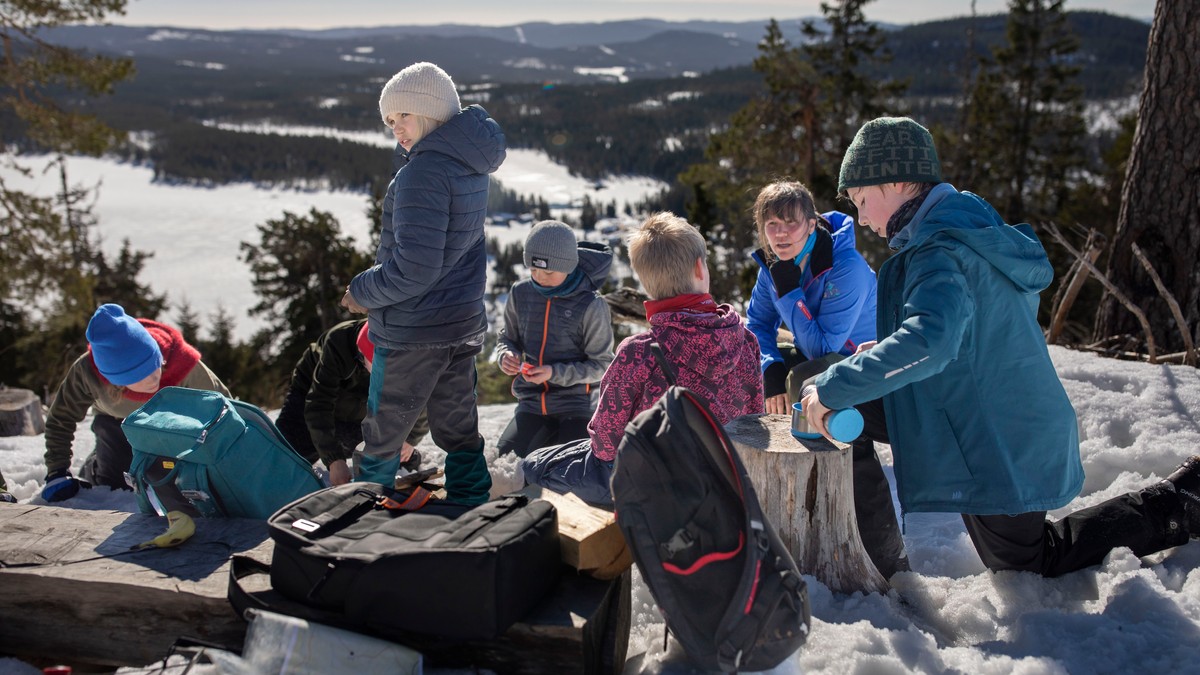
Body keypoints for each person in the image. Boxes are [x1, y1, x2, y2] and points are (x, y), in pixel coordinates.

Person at [803, 116, 1200, 577]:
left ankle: (1179, 503)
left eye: (861, 200)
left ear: (897, 181)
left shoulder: (940, 248)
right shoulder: (963, 227)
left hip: (997, 434)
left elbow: (932, 341)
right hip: (961, 408)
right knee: (842, 410)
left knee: (1027, 564)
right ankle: (875, 562)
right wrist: (883, 356)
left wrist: (836, 384)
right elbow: (966, 326)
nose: (861, 218)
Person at [340, 61, 505, 505]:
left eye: (404, 115)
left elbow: (414, 267)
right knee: (457, 424)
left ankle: (363, 512)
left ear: (432, 111)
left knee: (384, 432)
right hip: (461, 324)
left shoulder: (422, 172)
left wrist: (361, 291)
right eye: (389, 120)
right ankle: (471, 501)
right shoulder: (469, 165)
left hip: (413, 331)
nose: (396, 128)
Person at [521, 212, 764, 508]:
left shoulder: (639, 352)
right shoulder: (746, 340)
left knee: (534, 465)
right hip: (723, 477)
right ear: (700, 268)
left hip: (652, 483)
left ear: (645, 281)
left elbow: (605, 444)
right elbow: (755, 420)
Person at [745, 179, 906, 577]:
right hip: (819, 361)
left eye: (791, 223)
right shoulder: (774, 264)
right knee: (756, 368)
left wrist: (789, 291)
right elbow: (757, 326)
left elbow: (822, 347)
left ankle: (887, 558)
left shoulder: (847, 268)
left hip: (869, 370)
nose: (780, 234)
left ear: (812, 223)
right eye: (771, 225)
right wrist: (769, 369)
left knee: (809, 377)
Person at [41, 303, 230, 502]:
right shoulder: (86, 373)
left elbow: (226, 410)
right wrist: (57, 470)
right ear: (116, 382)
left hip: (176, 429)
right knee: (117, 485)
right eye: (140, 375)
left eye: (154, 363)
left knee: (180, 483)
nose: (153, 378)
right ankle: (96, 463)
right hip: (116, 423)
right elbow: (61, 418)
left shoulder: (182, 362)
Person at [494, 220, 615, 458]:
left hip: (578, 407)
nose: (539, 277)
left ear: (568, 266)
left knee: (570, 466)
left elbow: (602, 366)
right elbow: (507, 338)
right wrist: (506, 355)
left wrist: (553, 373)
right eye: (533, 269)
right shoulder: (520, 293)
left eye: (548, 272)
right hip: (532, 404)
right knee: (506, 459)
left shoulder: (591, 304)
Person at [275, 319, 429, 486]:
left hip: (357, 405)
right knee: (282, 459)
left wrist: (408, 439)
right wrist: (334, 459)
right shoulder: (338, 342)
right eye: (380, 369)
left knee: (386, 456)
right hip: (309, 399)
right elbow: (319, 405)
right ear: (362, 354)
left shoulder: (404, 347)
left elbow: (421, 394)